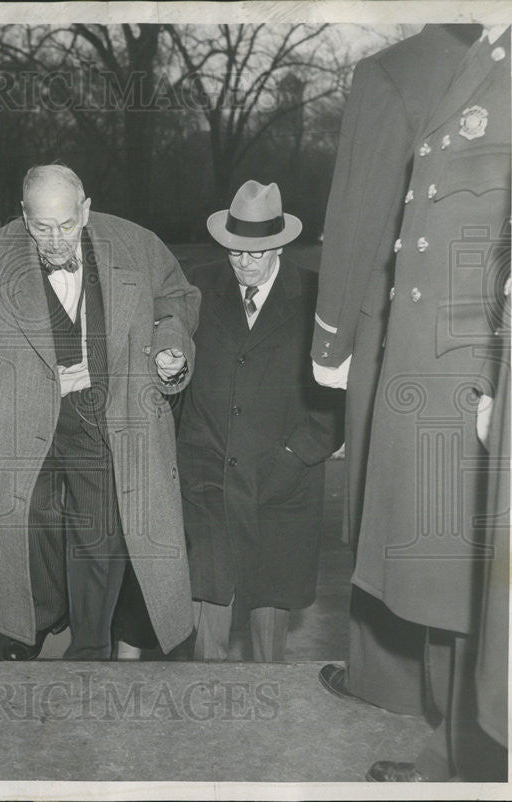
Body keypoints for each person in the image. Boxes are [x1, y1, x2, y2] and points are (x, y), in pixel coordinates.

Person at [0, 164, 199, 660]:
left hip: (103, 415)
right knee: (27, 534)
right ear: (23, 215)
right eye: (41, 227)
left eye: (65, 225)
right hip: (20, 418)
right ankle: (32, 632)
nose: (55, 240)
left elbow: (177, 298)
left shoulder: (136, 245)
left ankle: (90, 649)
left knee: (100, 540)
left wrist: (169, 344)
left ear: (85, 210)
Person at [353, 26, 511, 782]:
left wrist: (500, 382)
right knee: (453, 572)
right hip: (440, 369)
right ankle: (456, 746)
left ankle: (472, 757)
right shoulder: (483, 54)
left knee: (477, 578)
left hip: (477, 369)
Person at [311, 23, 482, 717]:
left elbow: (358, 214)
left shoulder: (394, 72)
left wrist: (331, 345)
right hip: (495, 333)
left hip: (401, 333)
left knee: (392, 510)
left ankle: (386, 684)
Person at [176, 181, 343, 662]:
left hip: (282, 477)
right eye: (234, 249)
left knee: (270, 613)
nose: (243, 262)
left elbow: (342, 392)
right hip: (206, 473)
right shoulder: (197, 285)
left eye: (257, 251)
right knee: (207, 610)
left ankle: (270, 710)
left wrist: (298, 455)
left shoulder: (317, 295)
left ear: (282, 243)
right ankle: (204, 719)